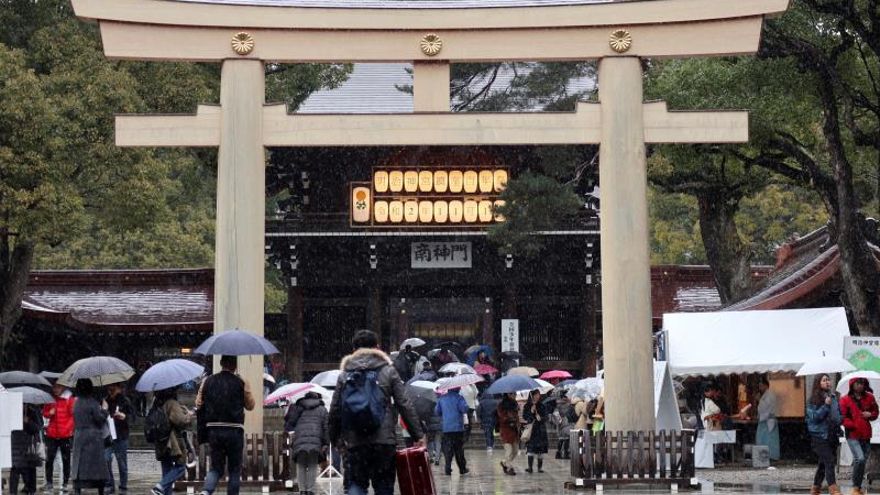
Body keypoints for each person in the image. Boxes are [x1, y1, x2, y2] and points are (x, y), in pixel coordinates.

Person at [329, 329, 425, 495]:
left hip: (355, 441)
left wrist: (334, 438)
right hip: (384, 441)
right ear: (378, 348)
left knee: (356, 485)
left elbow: (336, 409)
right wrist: (418, 435)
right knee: (383, 487)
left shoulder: (344, 375)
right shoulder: (389, 371)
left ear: (354, 351)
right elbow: (404, 404)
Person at [196, 355, 256, 495]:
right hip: (234, 431)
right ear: (235, 365)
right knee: (234, 469)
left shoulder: (208, 381)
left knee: (216, 468)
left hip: (213, 430)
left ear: (221, 363)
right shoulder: (241, 382)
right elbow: (251, 405)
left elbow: (198, 403)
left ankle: (206, 491)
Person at [150, 387, 194, 495]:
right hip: (172, 441)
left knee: (167, 469)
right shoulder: (172, 403)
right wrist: (189, 415)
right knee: (181, 467)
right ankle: (160, 486)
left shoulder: (156, 403)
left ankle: (164, 491)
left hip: (161, 440)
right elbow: (180, 421)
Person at [840, 377, 879, 495]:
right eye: (858, 383)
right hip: (852, 434)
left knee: (862, 461)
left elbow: (876, 413)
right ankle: (856, 486)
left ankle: (857, 486)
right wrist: (853, 424)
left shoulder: (870, 397)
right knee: (860, 459)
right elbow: (842, 417)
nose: (860, 385)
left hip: (866, 434)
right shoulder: (845, 399)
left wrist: (870, 415)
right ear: (852, 385)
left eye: (862, 383)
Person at [284, 391, 329, 495]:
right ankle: (310, 490)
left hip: (300, 439)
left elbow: (290, 422)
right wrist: (326, 442)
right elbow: (326, 427)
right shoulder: (322, 409)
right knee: (313, 464)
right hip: (315, 440)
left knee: (301, 464)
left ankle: (302, 490)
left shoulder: (299, 407)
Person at [71, 379, 110, 494]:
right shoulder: (92, 403)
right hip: (93, 437)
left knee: (79, 463)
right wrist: (104, 410)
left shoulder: (76, 403)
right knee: (96, 466)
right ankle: (99, 488)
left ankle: (78, 487)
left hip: (79, 436)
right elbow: (99, 420)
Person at [806, 374, 842, 495]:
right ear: (818, 383)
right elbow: (815, 417)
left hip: (832, 434)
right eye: (824, 380)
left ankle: (816, 488)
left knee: (823, 463)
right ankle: (833, 488)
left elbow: (837, 415)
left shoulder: (833, 397)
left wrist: (840, 422)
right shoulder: (813, 400)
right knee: (829, 460)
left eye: (828, 380)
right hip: (819, 436)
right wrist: (826, 405)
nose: (827, 382)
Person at [43, 383, 76, 492]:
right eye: (54, 387)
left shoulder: (69, 399)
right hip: (52, 434)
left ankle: (65, 482)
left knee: (66, 460)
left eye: (58, 387)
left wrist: (68, 430)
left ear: (63, 387)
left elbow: (73, 416)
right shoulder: (50, 399)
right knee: (49, 459)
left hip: (65, 435)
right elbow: (45, 413)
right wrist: (49, 413)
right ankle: (49, 482)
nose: (55, 389)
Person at [103, 383, 133, 494]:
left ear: (119, 389)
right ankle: (109, 484)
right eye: (109, 388)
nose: (110, 390)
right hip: (107, 436)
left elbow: (132, 417)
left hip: (121, 436)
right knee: (105, 460)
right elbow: (101, 418)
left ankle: (123, 486)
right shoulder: (105, 401)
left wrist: (124, 416)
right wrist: (103, 410)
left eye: (113, 388)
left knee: (122, 463)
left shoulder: (125, 401)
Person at [434, 386, 469, 476]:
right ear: (457, 389)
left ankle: (448, 468)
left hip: (446, 428)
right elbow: (464, 409)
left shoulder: (442, 398)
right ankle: (462, 468)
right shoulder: (459, 398)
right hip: (457, 428)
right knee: (459, 449)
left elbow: (437, 411)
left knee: (448, 449)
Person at [10, 403, 43, 495]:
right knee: (15, 468)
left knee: (29, 468)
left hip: (29, 445)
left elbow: (38, 427)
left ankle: (30, 489)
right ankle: (13, 491)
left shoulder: (33, 410)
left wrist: (28, 421)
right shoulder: (12, 409)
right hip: (16, 443)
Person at [523, 389, 549, 473]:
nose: (538, 396)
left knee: (540, 450)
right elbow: (525, 417)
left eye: (539, 394)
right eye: (536, 394)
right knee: (531, 449)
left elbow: (546, 417)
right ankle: (530, 467)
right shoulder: (527, 406)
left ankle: (539, 467)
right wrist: (531, 412)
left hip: (541, 430)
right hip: (532, 430)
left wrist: (541, 418)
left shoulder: (542, 405)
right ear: (532, 395)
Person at [755, 376, 780, 461]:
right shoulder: (765, 395)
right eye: (759, 386)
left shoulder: (770, 395)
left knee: (768, 440)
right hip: (764, 420)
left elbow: (766, 408)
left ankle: (771, 456)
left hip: (768, 420)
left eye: (761, 386)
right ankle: (764, 456)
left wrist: (759, 401)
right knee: (763, 439)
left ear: (766, 386)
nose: (760, 388)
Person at [496, 393, 520, 476]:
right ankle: (509, 468)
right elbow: (501, 417)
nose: (514, 395)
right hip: (506, 430)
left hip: (514, 430)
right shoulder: (501, 405)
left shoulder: (515, 404)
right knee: (509, 450)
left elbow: (517, 417)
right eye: (512, 394)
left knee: (515, 451)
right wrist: (510, 419)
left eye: (515, 393)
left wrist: (517, 422)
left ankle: (504, 462)